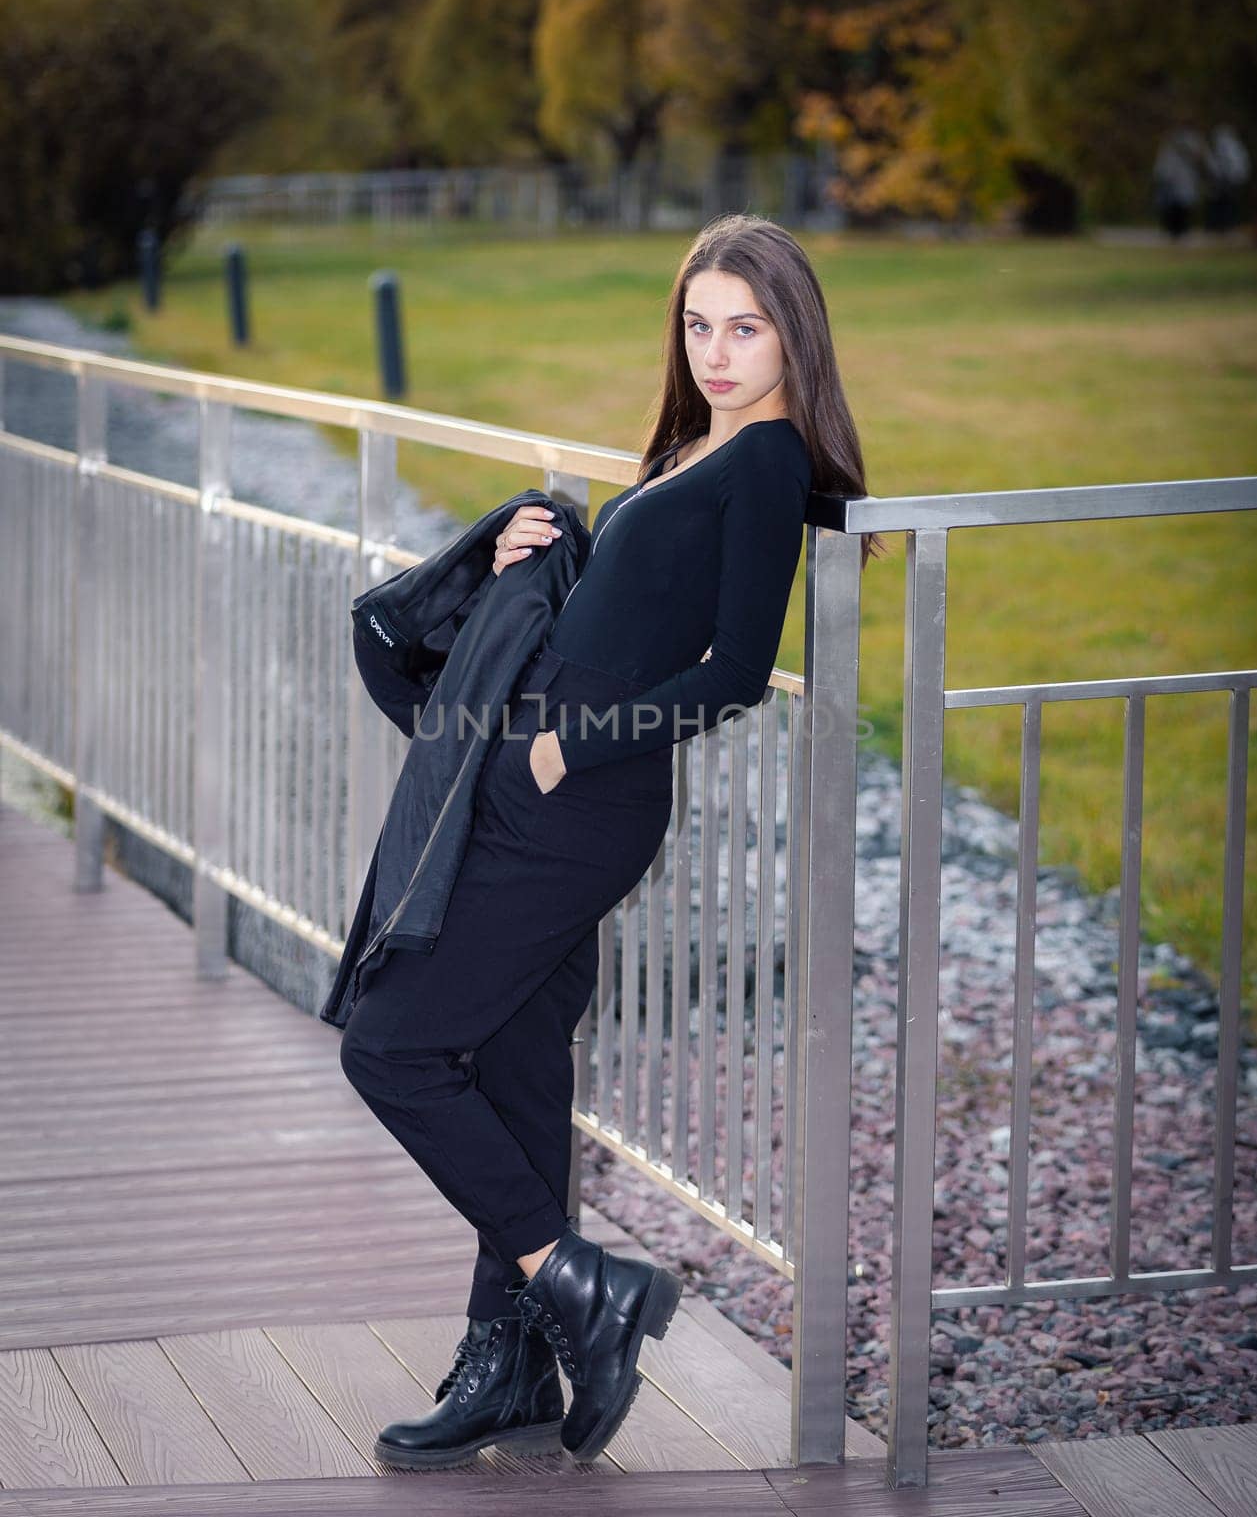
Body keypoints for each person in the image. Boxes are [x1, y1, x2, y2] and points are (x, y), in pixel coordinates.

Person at [337, 211, 883, 1471]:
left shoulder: (763, 461)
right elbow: (631, 608)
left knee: (394, 1045)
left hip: (574, 801)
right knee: (519, 1069)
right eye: (697, 324)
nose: (715, 350)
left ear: (792, 333)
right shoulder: (701, 443)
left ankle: (577, 1285)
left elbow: (736, 671)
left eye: (743, 327)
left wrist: (566, 748)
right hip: (540, 790)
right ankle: (509, 1367)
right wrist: (544, 549)